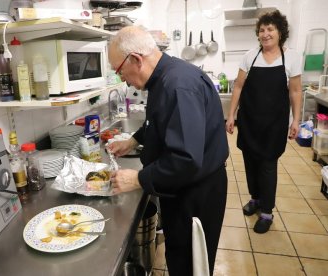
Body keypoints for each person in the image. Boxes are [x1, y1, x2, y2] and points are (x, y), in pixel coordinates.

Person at [107, 26, 229, 276]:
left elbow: (184, 159)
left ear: (136, 60)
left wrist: (138, 178)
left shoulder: (177, 85)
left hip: (196, 194)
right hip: (186, 187)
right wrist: (133, 141)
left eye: (119, 71)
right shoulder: (165, 77)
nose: (122, 80)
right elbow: (161, 121)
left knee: (189, 264)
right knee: (179, 255)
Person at [226, 10, 302, 234]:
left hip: (274, 125)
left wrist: (296, 120)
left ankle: (267, 211)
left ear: (280, 32)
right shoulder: (250, 56)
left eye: (270, 29)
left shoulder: (292, 58)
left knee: (268, 166)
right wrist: (231, 115)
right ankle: (255, 199)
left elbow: (296, 92)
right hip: (250, 121)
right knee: (250, 163)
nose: (266, 34)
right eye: (262, 30)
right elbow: (238, 87)